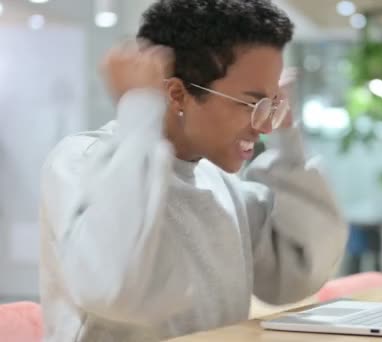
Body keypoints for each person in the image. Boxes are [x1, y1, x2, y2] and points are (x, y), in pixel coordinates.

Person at [38, 0, 348, 340]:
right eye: (252, 104)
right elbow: (115, 289)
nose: (266, 126)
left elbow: (293, 275)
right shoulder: (82, 161)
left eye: (273, 105)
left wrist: (290, 145)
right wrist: (141, 108)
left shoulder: (220, 181)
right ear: (177, 94)